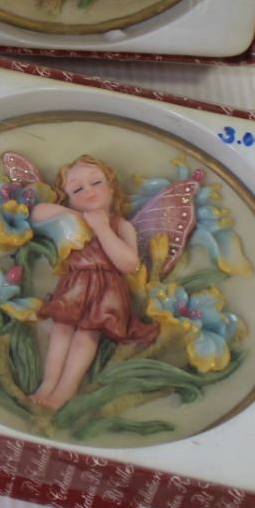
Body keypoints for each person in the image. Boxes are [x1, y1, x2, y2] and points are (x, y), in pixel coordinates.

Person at [28, 155, 155, 409]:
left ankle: (65, 389)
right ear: (68, 198)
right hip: (75, 283)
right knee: (62, 330)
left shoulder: (121, 226)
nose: (88, 190)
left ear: (112, 188)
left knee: (87, 334)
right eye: (77, 189)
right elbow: (38, 213)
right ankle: (48, 384)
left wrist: (102, 228)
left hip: (106, 288)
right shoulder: (70, 221)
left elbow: (129, 263)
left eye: (96, 182)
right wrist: (79, 215)